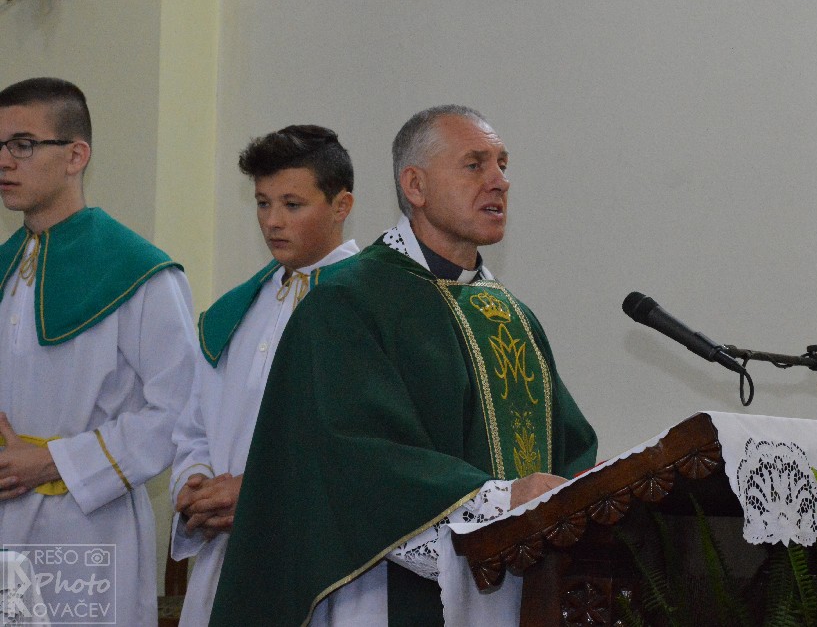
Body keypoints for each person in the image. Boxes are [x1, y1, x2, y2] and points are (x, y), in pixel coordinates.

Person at [211, 105, 597, 626]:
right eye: (475, 165)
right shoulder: (348, 303)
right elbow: (356, 460)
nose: (499, 181)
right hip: (379, 596)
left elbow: (570, 450)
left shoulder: (511, 316)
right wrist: (502, 500)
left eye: (502, 165)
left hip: (518, 599)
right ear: (414, 186)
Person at [0, 77, 197, 625]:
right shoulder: (6, 269)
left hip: (85, 527)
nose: (4, 161)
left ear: (75, 156)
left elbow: (178, 413)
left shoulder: (141, 275)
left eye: (22, 144)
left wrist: (51, 461)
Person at [169, 125, 359, 626]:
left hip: (321, 563)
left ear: (341, 206)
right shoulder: (237, 309)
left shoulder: (371, 304)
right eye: (262, 203)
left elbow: (367, 445)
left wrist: (258, 493)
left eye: (292, 205)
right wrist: (195, 484)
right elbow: (195, 425)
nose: (272, 221)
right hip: (226, 555)